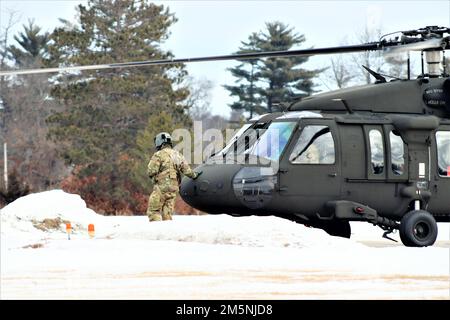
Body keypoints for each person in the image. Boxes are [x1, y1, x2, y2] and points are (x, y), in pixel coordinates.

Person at [147, 132, 201, 222]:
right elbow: (187, 171)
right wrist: (195, 175)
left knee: (154, 211)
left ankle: (156, 232)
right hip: (173, 188)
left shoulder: (159, 154)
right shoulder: (177, 155)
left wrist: (155, 177)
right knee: (167, 213)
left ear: (160, 142)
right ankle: (168, 231)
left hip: (161, 187)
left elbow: (151, 171)